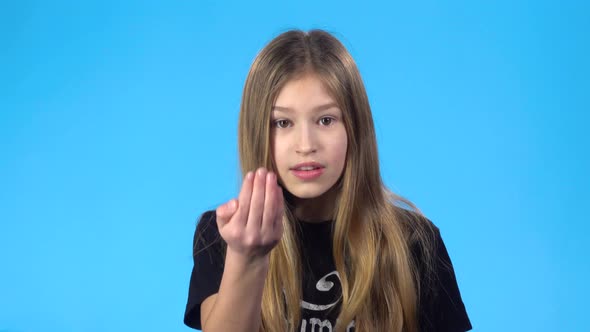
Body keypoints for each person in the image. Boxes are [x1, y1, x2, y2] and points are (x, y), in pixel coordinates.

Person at [183, 29, 472, 332]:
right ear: (257, 132)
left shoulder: (415, 243)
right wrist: (246, 257)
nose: (306, 144)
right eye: (283, 122)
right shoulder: (223, 235)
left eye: (326, 120)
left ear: (354, 128)